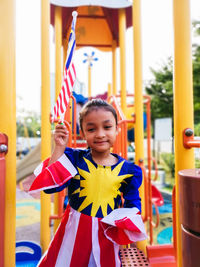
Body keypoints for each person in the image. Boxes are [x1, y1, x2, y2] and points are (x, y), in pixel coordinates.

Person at [29, 99, 146, 267]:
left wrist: (132, 236)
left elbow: (132, 203)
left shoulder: (129, 170)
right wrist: (59, 148)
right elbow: (51, 187)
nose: (100, 134)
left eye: (107, 127)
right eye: (91, 129)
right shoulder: (73, 159)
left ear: (117, 129)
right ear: (83, 133)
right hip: (73, 231)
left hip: (106, 233)